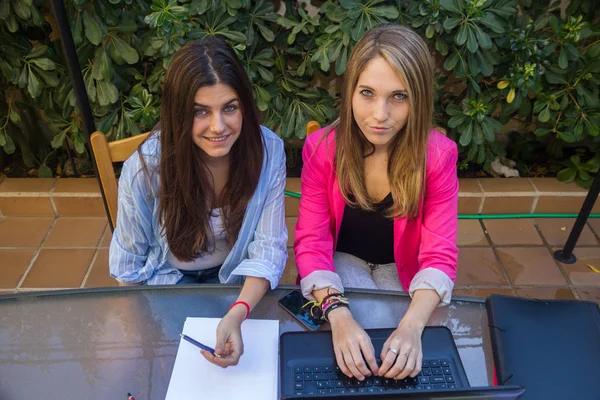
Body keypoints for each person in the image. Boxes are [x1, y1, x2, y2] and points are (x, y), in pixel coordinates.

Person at [109, 37, 288, 368]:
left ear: (244, 106)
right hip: (170, 284)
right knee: (174, 367)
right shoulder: (145, 168)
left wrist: (239, 312)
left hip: (239, 281)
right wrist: (140, 339)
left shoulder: (270, 152)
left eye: (229, 108)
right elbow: (129, 268)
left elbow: (268, 249)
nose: (218, 127)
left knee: (259, 365)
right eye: (199, 111)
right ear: (178, 113)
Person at [294, 24, 458, 383]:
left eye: (399, 96)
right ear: (350, 90)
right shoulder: (322, 149)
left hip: (403, 269)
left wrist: (412, 328)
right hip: (342, 263)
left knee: (402, 351)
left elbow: (440, 255)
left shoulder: (438, 156)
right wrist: (337, 314)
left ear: (420, 98)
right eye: (367, 93)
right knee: (351, 348)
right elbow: (312, 241)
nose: (380, 114)